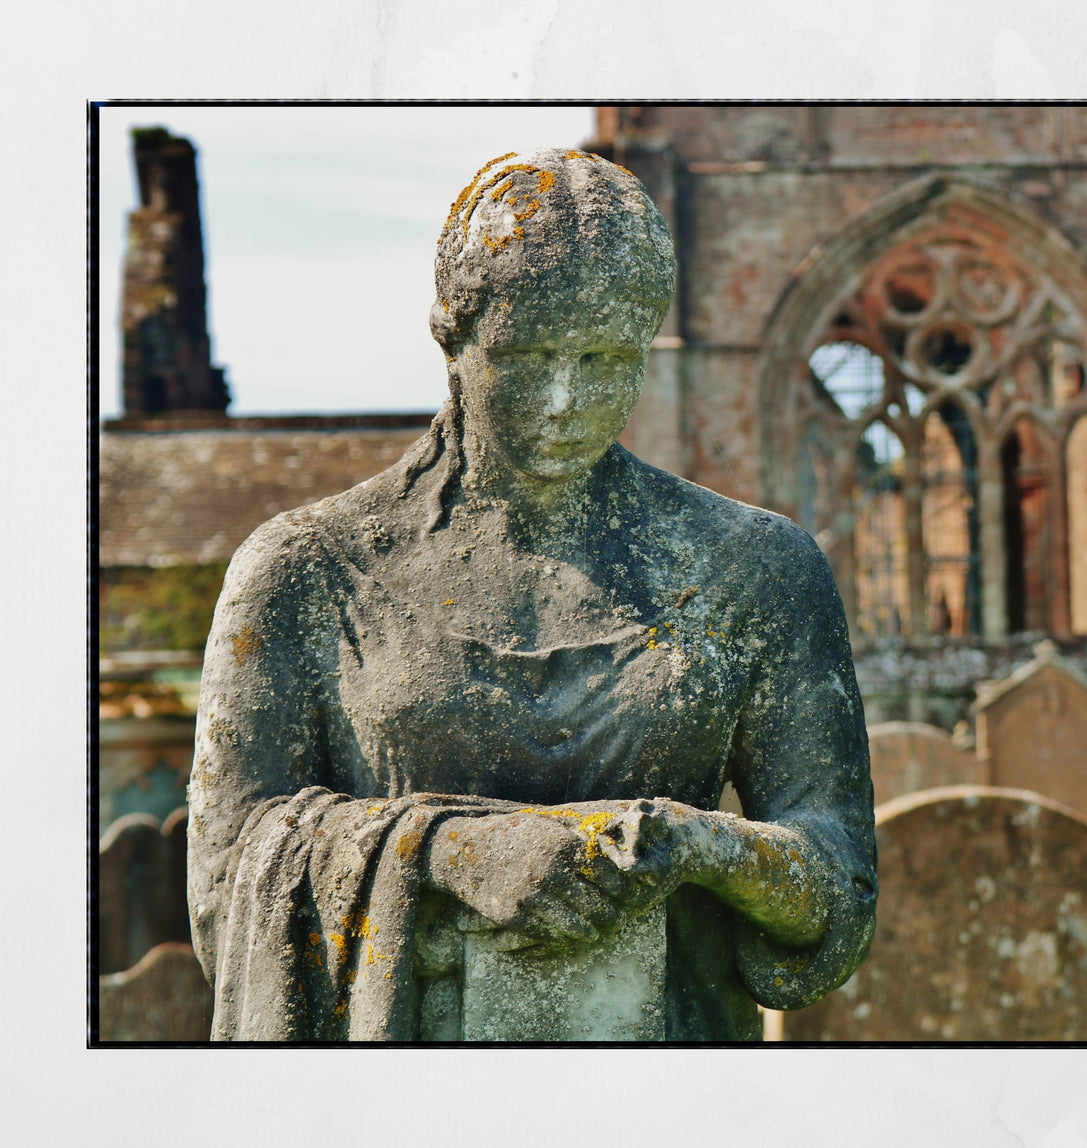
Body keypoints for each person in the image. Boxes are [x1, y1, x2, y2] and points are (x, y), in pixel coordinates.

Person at [187, 147, 877, 1041]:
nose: (564, 400)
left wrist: (694, 844)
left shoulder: (759, 570)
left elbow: (837, 888)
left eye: (603, 359)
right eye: (525, 355)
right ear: (452, 334)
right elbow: (227, 883)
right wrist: (452, 852)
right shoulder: (305, 571)